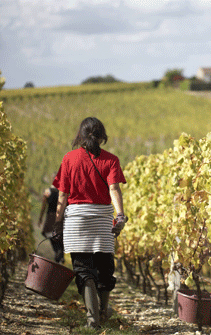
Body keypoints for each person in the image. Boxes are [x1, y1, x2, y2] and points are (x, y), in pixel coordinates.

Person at [52, 117, 128, 330]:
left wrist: (58, 223)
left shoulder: (69, 158)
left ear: (81, 135)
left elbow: (62, 195)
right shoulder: (111, 160)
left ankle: (92, 321)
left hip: (76, 221)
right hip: (102, 220)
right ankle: (103, 313)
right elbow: (114, 189)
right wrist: (120, 215)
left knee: (83, 270)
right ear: (102, 135)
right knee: (104, 268)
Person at [37, 182, 64, 263]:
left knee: (49, 234)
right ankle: (60, 253)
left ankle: (57, 251)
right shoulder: (62, 192)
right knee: (60, 235)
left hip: (50, 216)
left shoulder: (47, 191)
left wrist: (40, 218)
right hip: (60, 216)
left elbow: (43, 206)